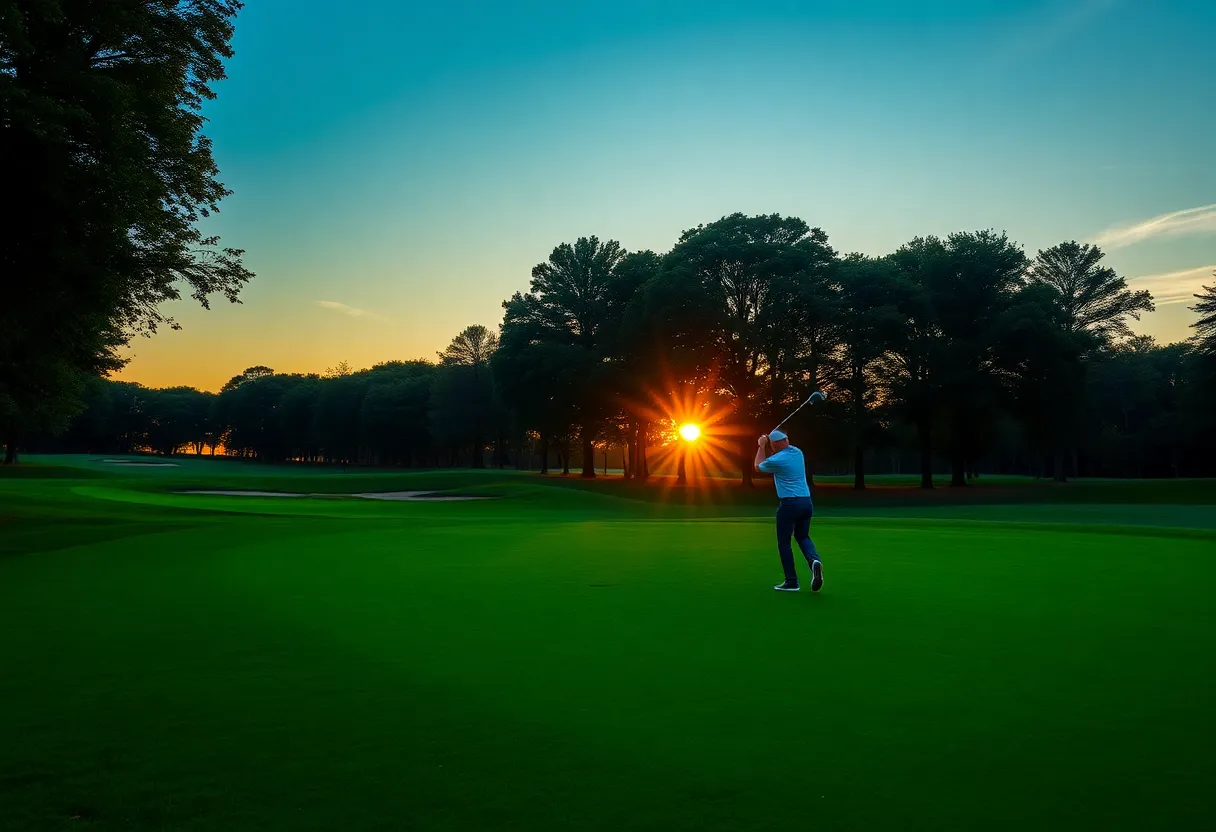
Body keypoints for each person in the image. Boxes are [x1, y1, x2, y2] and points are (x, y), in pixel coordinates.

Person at [755, 430, 823, 593]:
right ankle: (814, 561)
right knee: (802, 536)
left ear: (775, 444)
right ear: (787, 440)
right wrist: (770, 440)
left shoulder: (777, 459)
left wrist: (761, 446)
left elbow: (758, 466)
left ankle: (791, 581)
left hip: (789, 504)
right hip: (806, 502)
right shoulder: (797, 452)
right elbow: (780, 447)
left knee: (784, 542)